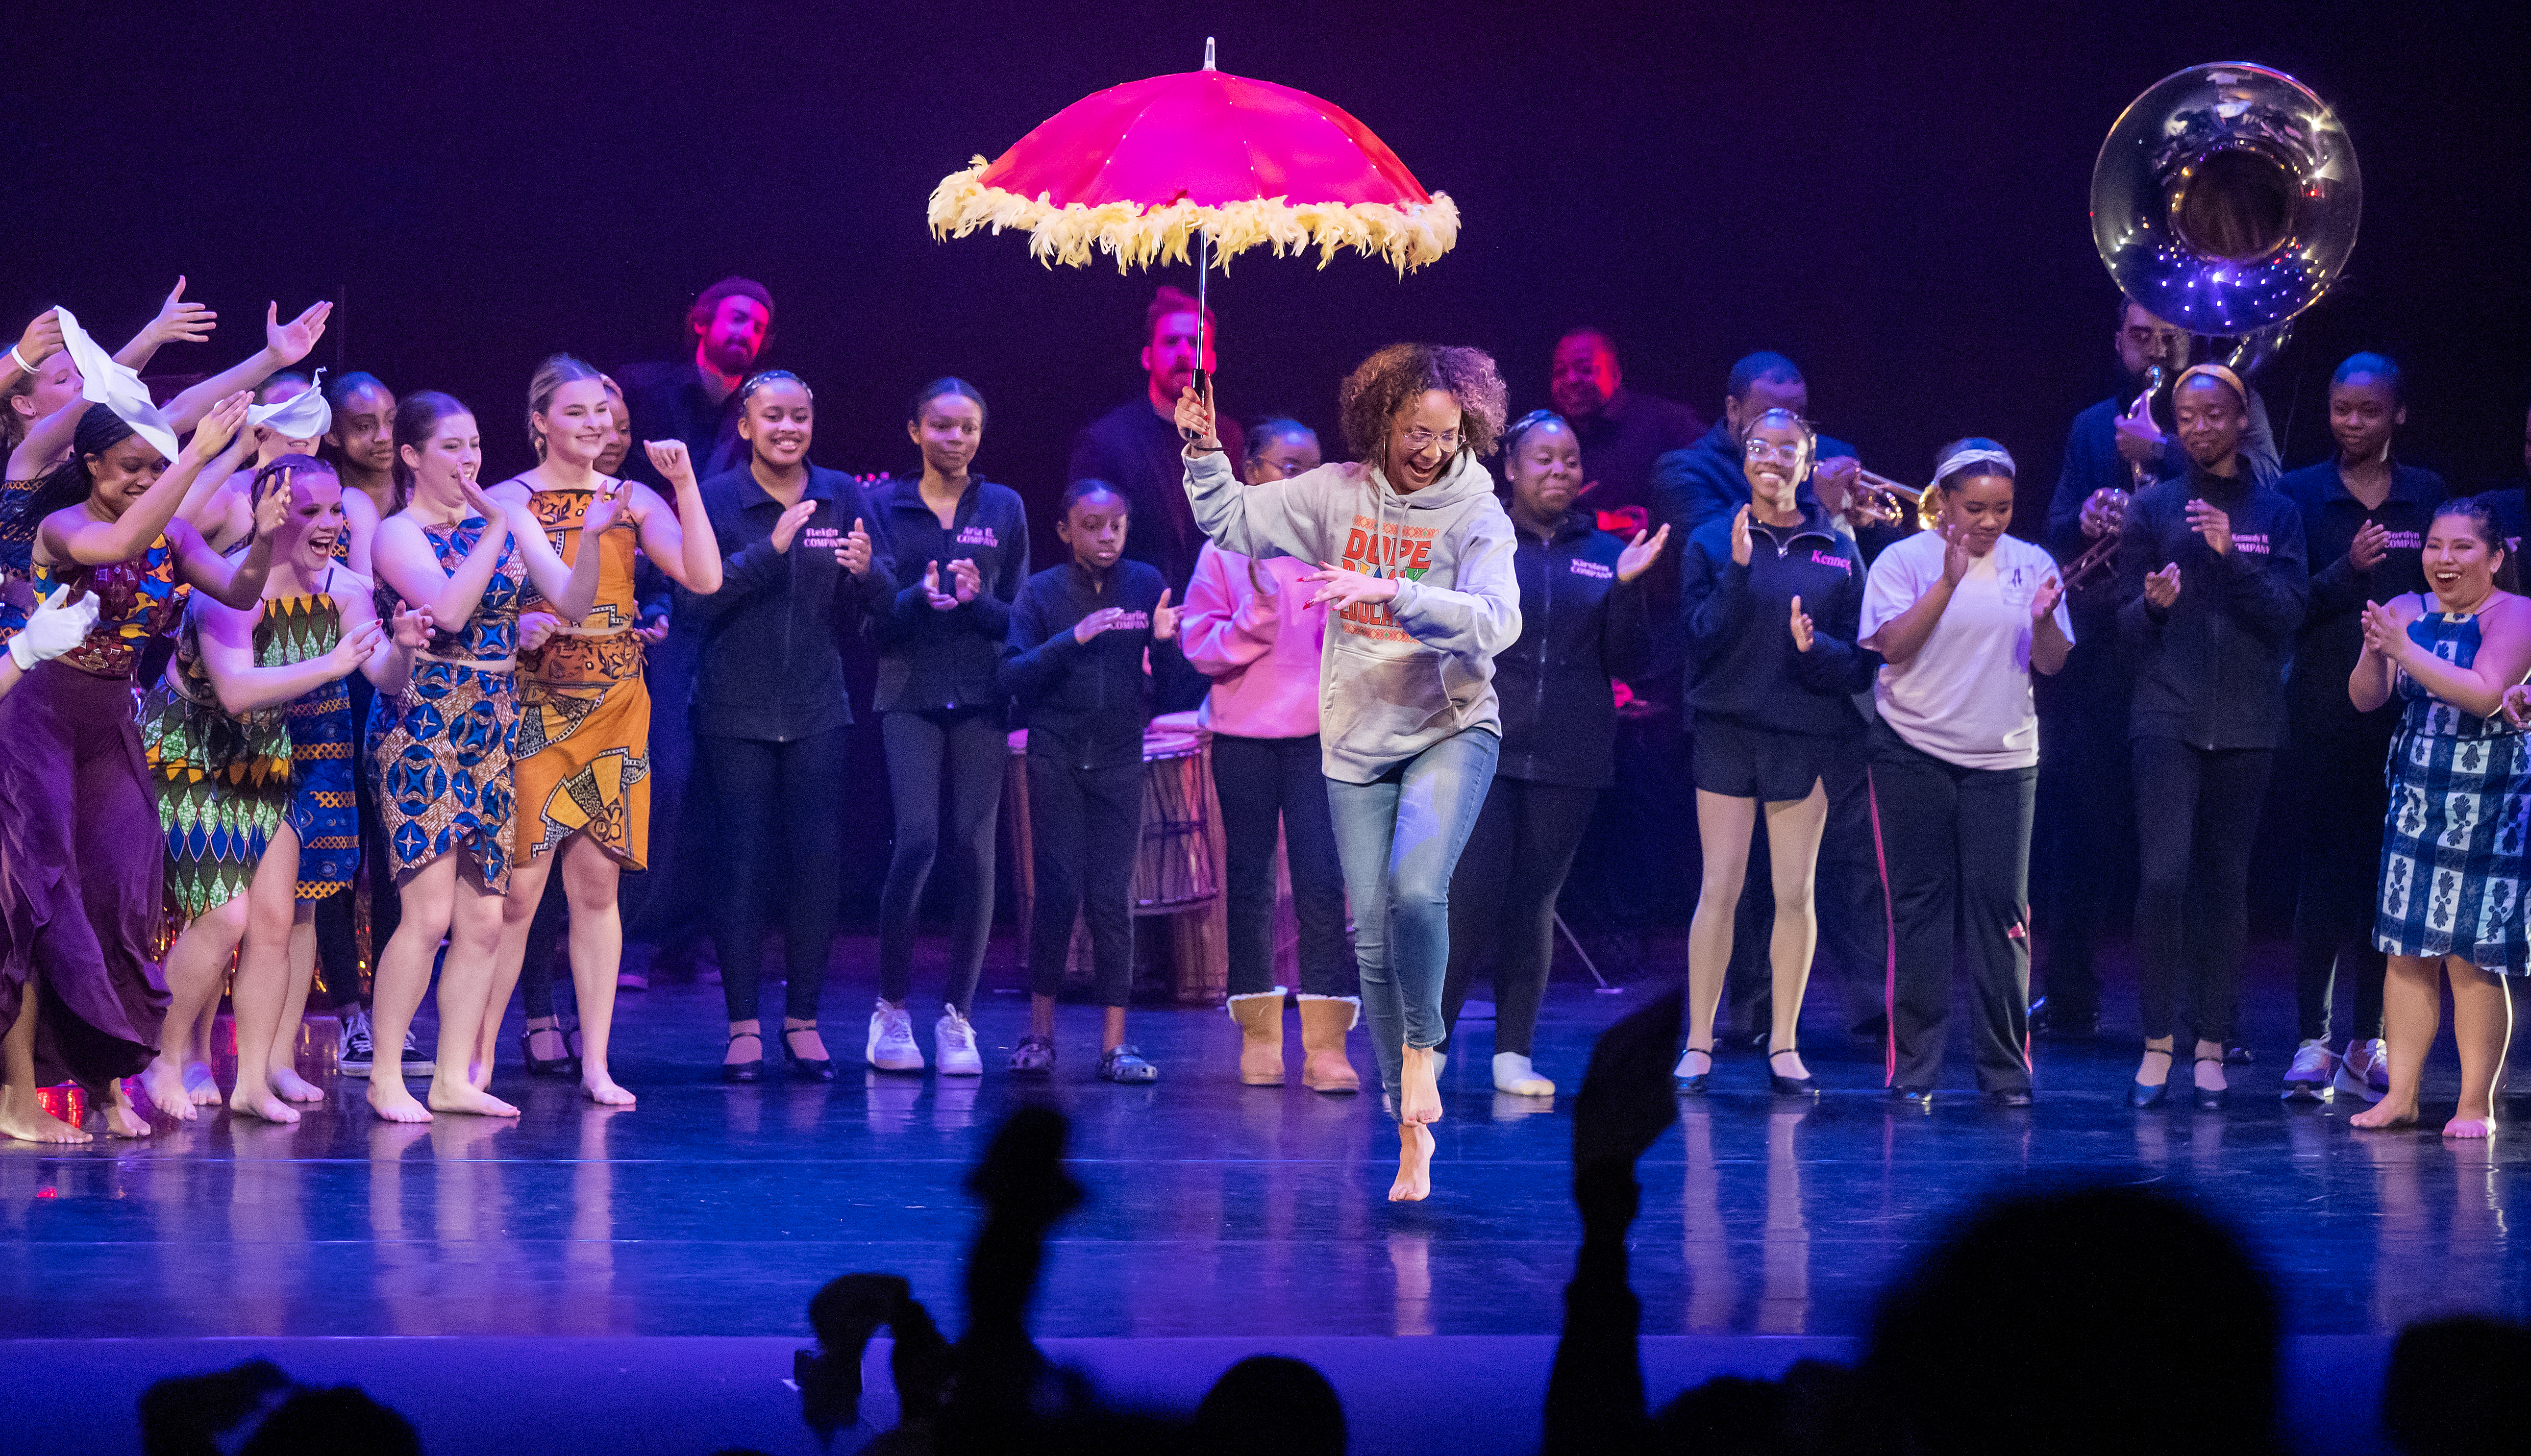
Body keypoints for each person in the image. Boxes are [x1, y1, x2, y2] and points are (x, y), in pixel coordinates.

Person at [1178, 343, 1520, 1203]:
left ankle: (1422, 1052)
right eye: (1414, 432)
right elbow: (1233, 523)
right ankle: (1409, 1137)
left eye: (1448, 435)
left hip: (1448, 724)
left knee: (1414, 892)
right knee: (1370, 934)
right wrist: (1200, 452)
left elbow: (1496, 621)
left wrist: (1393, 591)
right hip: (1356, 740)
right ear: (1380, 423)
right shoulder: (1335, 493)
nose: (1431, 450)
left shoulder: (1476, 511)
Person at [0, 392, 254, 1144]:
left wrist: (268, 539)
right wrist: (200, 453)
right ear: (91, 464)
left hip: (110, 722)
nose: (146, 479)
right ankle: (16, 1098)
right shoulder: (63, 524)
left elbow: (241, 590)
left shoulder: (172, 532)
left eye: (158, 466)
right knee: (38, 905)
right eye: (131, 467)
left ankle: (105, 1083)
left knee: (118, 901)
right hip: (36, 718)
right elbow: (115, 548)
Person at [136, 457, 421, 1124]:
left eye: (334, 511)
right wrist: (330, 663)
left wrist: (403, 647)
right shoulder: (231, 584)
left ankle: (254, 1079)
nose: (329, 524)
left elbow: (381, 672)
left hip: (267, 755)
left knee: (272, 922)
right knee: (227, 915)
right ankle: (163, 1055)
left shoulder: (348, 587)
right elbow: (234, 691)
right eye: (311, 510)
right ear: (272, 516)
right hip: (193, 749)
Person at [473, 355, 724, 1107]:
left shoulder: (632, 496)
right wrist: (516, 622)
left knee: (597, 888)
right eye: (576, 412)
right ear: (540, 420)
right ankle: (476, 1055)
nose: (595, 425)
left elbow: (704, 576)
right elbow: (474, 599)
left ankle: (597, 1064)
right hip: (534, 702)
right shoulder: (505, 499)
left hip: (616, 700)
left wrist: (684, 485)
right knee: (519, 892)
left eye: (604, 415)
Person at [2032, 300, 2281, 1041]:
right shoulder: (2089, 425)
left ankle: (2207, 1014)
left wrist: (2165, 452)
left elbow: (2269, 486)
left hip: (2200, 648)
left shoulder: (2233, 407)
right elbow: (2053, 527)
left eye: (2169, 336)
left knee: (2196, 854)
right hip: (2113, 644)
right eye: (2142, 336)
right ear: (2119, 341)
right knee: (2079, 831)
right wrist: (2091, 516)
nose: (2154, 349)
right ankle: (2071, 997)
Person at [363, 391, 604, 1123]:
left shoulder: (500, 519)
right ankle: (384, 1075)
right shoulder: (397, 533)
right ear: (411, 455)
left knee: (486, 918)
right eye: (452, 447)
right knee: (428, 913)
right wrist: (498, 525)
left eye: (474, 445)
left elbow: (571, 600)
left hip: (494, 726)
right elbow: (451, 612)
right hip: (424, 725)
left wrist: (589, 538)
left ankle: (452, 1077)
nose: (470, 460)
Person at [1651, 352, 1883, 1047]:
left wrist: (1837, 520)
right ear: (1735, 424)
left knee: (1812, 882)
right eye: (1761, 438)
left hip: (1811, 727)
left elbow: (1862, 652)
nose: (1776, 454)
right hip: (1729, 718)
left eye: (1793, 440)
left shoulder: (1834, 539)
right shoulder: (1695, 489)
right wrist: (1745, 564)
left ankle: (1800, 1031)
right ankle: (1715, 1029)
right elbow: (1703, 630)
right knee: (1725, 886)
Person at [1438, 411, 1663, 1096]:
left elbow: (1631, 659)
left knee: (1533, 902)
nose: (1559, 471)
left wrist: (1628, 589)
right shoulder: (1474, 538)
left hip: (1570, 754)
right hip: (1483, 744)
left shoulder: (1602, 551)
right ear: (1510, 466)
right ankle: (1428, 1050)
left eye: (1569, 460)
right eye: (1544, 459)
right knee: (1469, 898)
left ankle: (1514, 1054)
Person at [688, 371, 892, 1083]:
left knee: (815, 866)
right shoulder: (716, 499)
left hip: (816, 707)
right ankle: (743, 1023)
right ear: (744, 425)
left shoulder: (842, 494)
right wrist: (769, 548)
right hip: (733, 709)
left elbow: (884, 602)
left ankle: (803, 1019)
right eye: (772, 416)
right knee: (740, 865)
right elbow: (697, 601)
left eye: (800, 416)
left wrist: (872, 574)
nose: (787, 428)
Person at [2116, 364, 2308, 1110]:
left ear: (2240, 420)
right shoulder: (2153, 507)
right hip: (2166, 712)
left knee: (2225, 883)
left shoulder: (2277, 512)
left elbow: (2289, 614)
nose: (2199, 428)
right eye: (2186, 417)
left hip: (2251, 721)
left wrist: (2232, 559)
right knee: (2163, 876)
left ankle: (2210, 1042)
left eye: (2213, 415)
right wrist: (2156, 606)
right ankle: (2158, 1039)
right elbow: (2123, 629)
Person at [1859, 440, 2072, 1106]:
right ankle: (1916, 1072)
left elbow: (2054, 661)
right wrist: (1948, 580)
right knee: (1919, 911)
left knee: (2003, 916)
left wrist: (2042, 622)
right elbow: (1891, 647)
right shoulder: (1904, 560)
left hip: (2003, 760)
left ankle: (2006, 1074)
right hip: (1911, 751)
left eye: (2001, 508)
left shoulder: (2031, 561)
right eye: (1974, 506)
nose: (1988, 520)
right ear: (1943, 501)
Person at [2276, 353, 2443, 1104]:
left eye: (2368, 410)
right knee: (2325, 874)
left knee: (2388, 879)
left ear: (2397, 414)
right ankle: (2311, 1036)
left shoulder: (2427, 495)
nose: (2352, 422)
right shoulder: (2299, 493)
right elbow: (2283, 605)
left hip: (2409, 716)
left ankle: (2366, 1036)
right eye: (2342, 408)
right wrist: (2346, 568)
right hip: (2321, 708)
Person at [1181, 417, 1361, 1091]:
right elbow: (1200, 647)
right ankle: (1259, 1031)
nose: (1305, 478)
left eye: (1315, 466)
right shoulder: (1223, 551)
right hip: (1246, 739)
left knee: (1321, 881)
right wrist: (1255, 619)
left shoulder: (1338, 547)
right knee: (1251, 884)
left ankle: (1324, 1042)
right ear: (1251, 469)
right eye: (1290, 464)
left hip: (1321, 739)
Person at [2349, 499, 2529, 1139]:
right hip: (2418, 795)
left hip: (2489, 799)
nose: (2443, 559)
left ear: (2496, 556)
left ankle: (2474, 1102)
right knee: (2407, 949)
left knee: (2468, 954)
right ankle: (2401, 1094)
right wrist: (2378, 651)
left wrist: (2405, 648)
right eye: (2433, 545)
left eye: (2461, 547)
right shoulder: (2405, 610)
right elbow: (2366, 697)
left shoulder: (2516, 613)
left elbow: (2484, 691)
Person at [868, 379, 1027, 1077]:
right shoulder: (881, 504)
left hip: (984, 692)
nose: (955, 439)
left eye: (967, 428)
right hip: (909, 689)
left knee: (975, 846)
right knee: (920, 840)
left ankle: (957, 1016)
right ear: (915, 431)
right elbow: (871, 614)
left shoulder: (1004, 506)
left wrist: (977, 599)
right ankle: (891, 1008)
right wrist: (915, 597)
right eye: (941, 426)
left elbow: (1020, 618)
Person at [1000, 479, 1181, 1084]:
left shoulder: (1145, 583)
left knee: (1112, 900)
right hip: (1055, 757)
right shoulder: (1042, 592)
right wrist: (1073, 638)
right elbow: (1012, 675)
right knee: (1056, 895)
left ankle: (1115, 1046)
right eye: (1092, 526)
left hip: (1118, 758)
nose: (1106, 537)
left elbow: (1174, 679)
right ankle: (1040, 1034)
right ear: (1065, 530)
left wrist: (1162, 643)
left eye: (1116, 526)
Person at [1068, 285, 1246, 712]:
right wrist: (1118, 625)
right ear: (1148, 356)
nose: (1186, 352)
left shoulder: (1233, 438)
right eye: (1171, 341)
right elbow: (1086, 546)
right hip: (1139, 634)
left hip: (1216, 632)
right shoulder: (1107, 440)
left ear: (1213, 359)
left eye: (1196, 342)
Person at [616, 276, 772, 490]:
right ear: (701, 323)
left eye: (758, 329)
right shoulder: (641, 385)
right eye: (737, 319)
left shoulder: (761, 411)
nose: (747, 333)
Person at [1544, 328, 1705, 524]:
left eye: (1585, 369)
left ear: (1615, 375)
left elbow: (1710, 493)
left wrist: (1655, 524)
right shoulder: (1546, 436)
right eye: (1560, 372)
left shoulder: (1666, 423)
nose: (1570, 380)